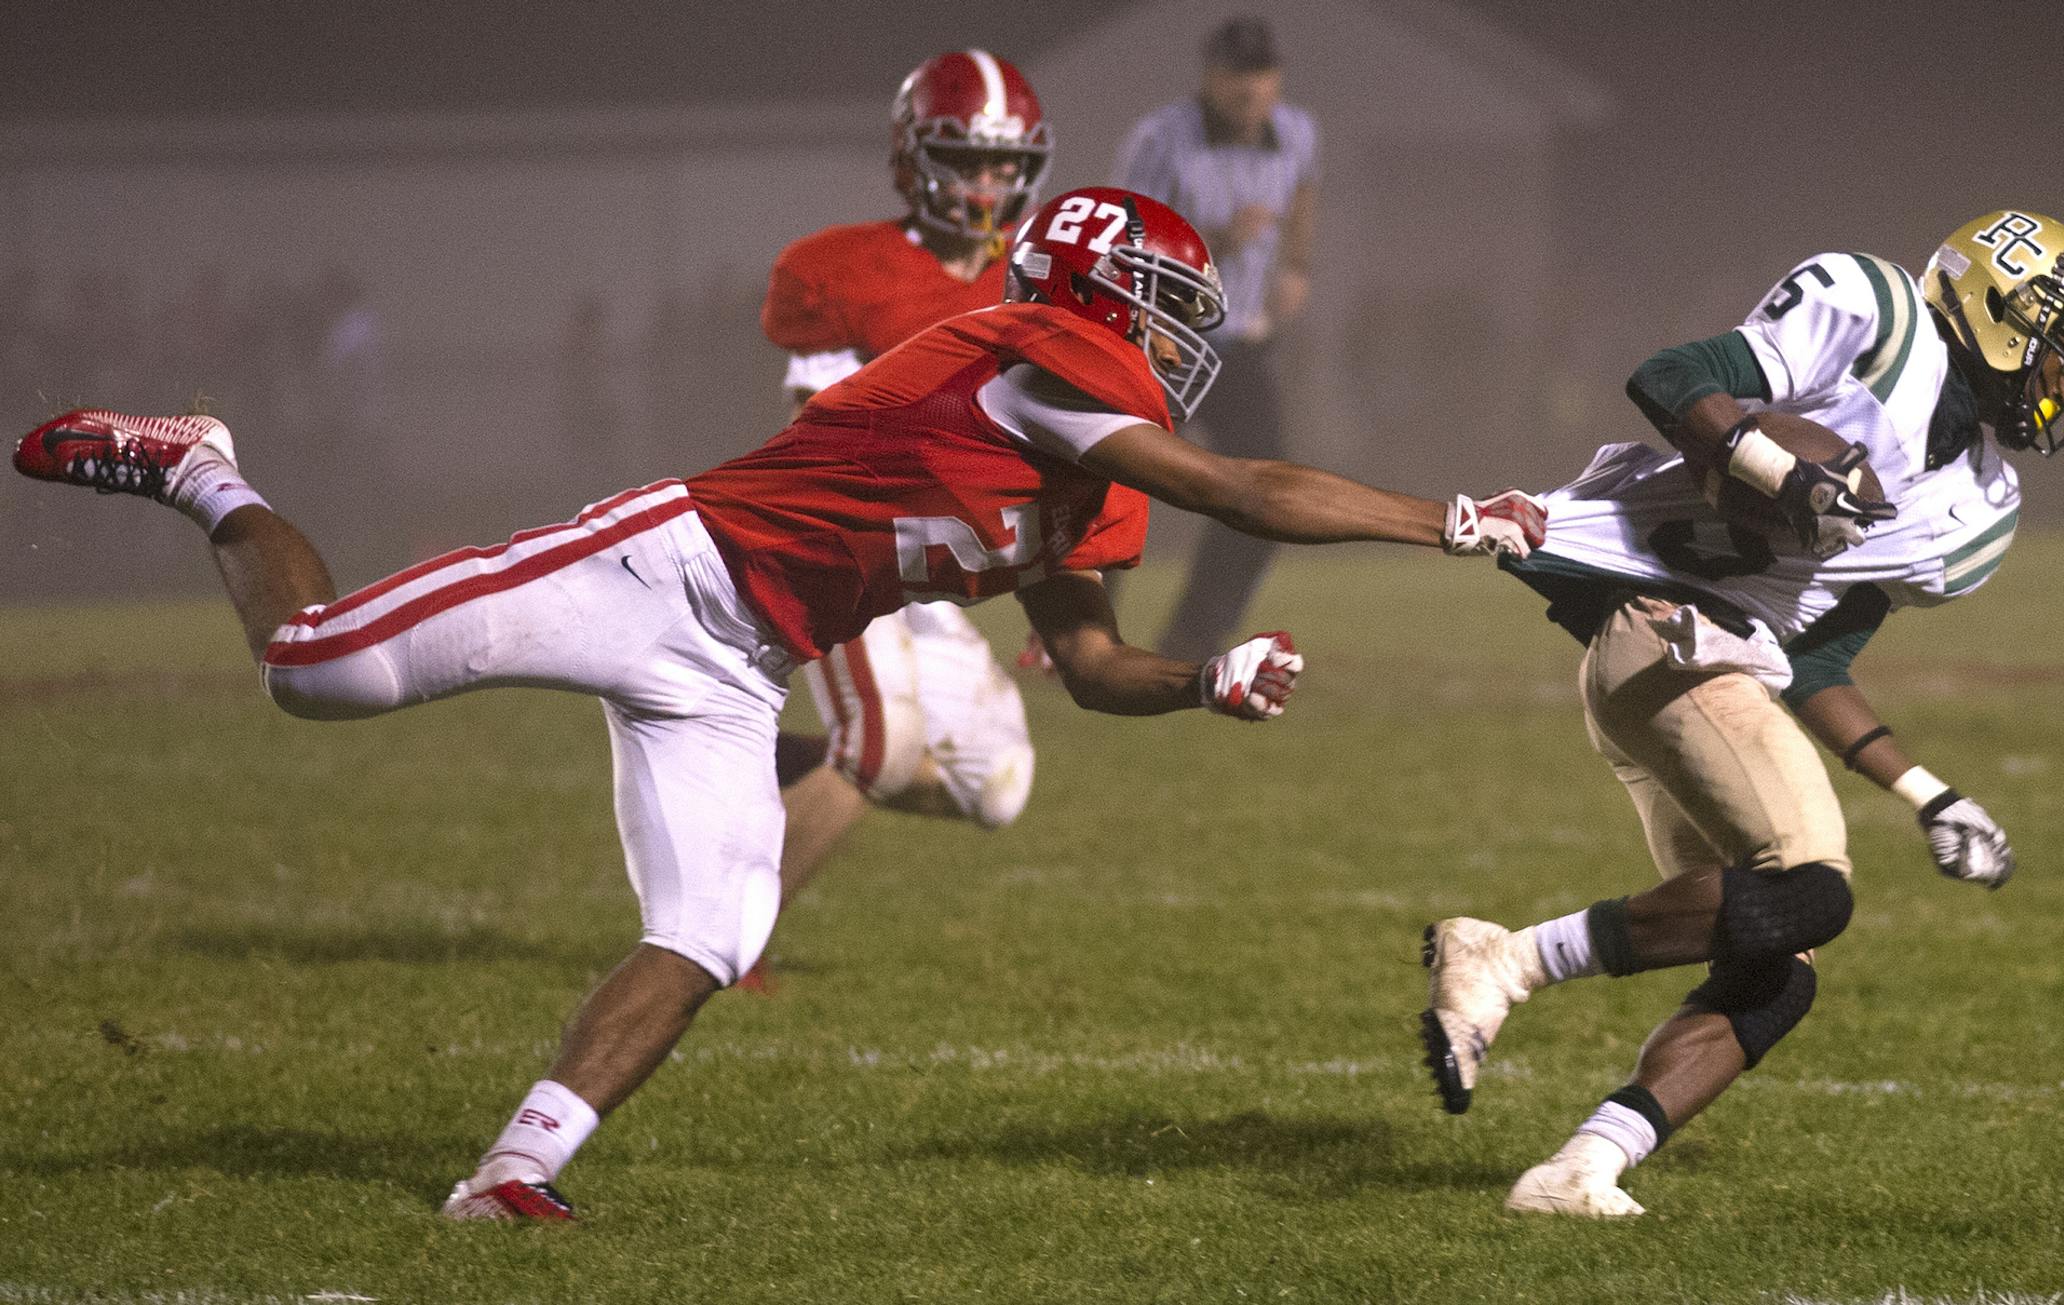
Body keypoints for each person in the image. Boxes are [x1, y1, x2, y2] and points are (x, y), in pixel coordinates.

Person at [16, 185, 1546, 1222]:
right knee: (311, 669)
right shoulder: (1038, 351)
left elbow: (1088, 669)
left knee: (713, 928)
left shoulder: (1086, 467)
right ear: (1094, 290)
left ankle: (509, 1175)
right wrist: (1453, 516)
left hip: (740, 668)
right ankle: (196, 464)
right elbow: (1247, 489)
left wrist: (1200, 681)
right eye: (1160, 302)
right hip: (657, 568)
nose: (1177, 336)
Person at [1418, 210, 2064, 1217]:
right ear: (2002, 314)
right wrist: (1775, 467)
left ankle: (1579, 1170)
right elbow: (1671, 378)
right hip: (1665, 629)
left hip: (1709, 669)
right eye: (2062, 352)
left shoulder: (1981, 504)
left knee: (1775, 970)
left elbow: (1817, 655)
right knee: (1812, 889)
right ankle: (1510, 958)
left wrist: (1929, 793)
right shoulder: (1874, 313)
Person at [757, 50, 1054, 926]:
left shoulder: (1033, 276)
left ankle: (751, 755)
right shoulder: (840, 269)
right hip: (843, 538)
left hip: (928, 561)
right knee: (882, 751)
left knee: (994, 782)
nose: (988, 181)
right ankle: (715, 947)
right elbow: (828, 438)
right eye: (966, 159)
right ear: (913, 157)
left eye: (1005, 162)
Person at [1109, 13, 1319, 661]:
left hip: (1238, 346)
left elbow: (1304, 191)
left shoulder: (1295, 133)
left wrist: (1297, 265)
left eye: (1260, 76)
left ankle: (1194, 635)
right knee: (1113, 488)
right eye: (1236, 77)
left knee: (1266, 500)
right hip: (1160, 339)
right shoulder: (1161, 140)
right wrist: (1218, 242)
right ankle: (1076, 634)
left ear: (1277, 79)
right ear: (1209, 78)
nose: (1249, 91)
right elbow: (1124, 241)